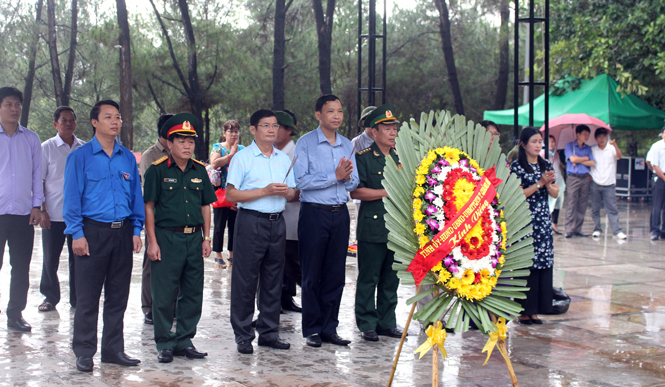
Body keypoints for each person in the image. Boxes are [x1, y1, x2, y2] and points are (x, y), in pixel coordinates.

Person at [63, 100, 144, 372]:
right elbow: (72, 198)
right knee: (87, 298)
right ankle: (85, 351)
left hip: (122, 234)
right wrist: (76, 233)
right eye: (108, 117)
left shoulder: (127, 158)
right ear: (94, 122)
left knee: (118, 296)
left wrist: (136, 230)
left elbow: (135, 197)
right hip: (92, 232)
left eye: (118, 117)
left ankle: (113, 350)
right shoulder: (81, 156)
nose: (115, 121)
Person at [143, 113, 217, 363]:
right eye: (181, 141)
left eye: (191, 142)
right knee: (163, 293)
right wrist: (152, 242)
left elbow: (206, 206)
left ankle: (185, 340)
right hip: (166, 238)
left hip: (194, 239)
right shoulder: (157, 170)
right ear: (170, 144)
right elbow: (149, 207)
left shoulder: (199, 170)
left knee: (193, 292)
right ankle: (164, 342)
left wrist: (207, 237)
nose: (187, 146)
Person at [226, 109, 296, 354]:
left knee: (273, 278)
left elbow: (294, 192)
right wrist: (264, 191)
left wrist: (286, 192)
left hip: (277, 222)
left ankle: (268, 332)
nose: (271, 130)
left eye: (275, 126)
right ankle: (243, 334)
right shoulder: (242, 158)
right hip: (250, 221)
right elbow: (231, 194)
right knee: (245, 279)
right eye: (265, 125)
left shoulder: (284, 159)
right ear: (253, 129)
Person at [294, 94, 359, 347]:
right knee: (312, 273)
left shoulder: (347, 145)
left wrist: (345, 178)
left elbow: (354, 181)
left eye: (340, 111)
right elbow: (300, 182)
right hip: (314, 213)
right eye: (330, 111)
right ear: (318, 115)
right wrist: (334, 176)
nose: (336, 116)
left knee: (335, 274)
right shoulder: (305, 143)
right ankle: (311, 328)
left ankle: (330, 328)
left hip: (339, 213)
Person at [350, 104, 403, 341]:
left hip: (397, 227)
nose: (392, 132)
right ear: (374, 131)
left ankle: (387, 321)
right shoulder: (364, 157)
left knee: (391, 278)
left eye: (394, 128)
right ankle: (366, 322)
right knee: (369, 277)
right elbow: (356, 192)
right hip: (372, 226)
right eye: (387, 128)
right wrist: (385, 192)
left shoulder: (401, 159)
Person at [0, 86, 43, 332]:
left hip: (23, 215)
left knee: (21, 267)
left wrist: (37, 205)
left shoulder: (31, 138)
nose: (14, 109)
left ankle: (15, 314)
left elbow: (38, 175)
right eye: (8, 104)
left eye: (17, 104)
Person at [510, 127, 559, 324]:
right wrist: (539, 183)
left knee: (542, 264)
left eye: (540, 142)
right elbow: (517, 194)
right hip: (525, 221)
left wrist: (548, 184)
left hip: (543, 221)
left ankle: (536, 309)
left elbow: (555, 193)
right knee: (527, 264)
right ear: (523, 144)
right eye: (534, 142)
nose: (539, 145)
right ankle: (523, 311)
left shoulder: (545, 164)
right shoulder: (516, 167)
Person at [39, 106, 85, 313]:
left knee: (79, 257)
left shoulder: (84, 148)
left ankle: (78, 298)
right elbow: (38, 181)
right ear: (55, 124)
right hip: (53, 214)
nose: (68, 124)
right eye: (64, 120)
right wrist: (42, 210)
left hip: (79, 216)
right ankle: (50, 297)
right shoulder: (46, 148)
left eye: (72, 120)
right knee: (51, 258)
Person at [138, 113, 173, 325]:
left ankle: (170, 305)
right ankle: (149, 307)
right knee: (153, 262)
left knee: (174, 264)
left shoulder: (181, 152)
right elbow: (151, 191)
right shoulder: (150, 156)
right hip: (157, 218)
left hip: (177, 219)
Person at [274, 110, 302, 313]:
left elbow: (302, 189)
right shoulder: (268, 152)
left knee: (293, 265)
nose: (272, 131)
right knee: (274, 266)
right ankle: (276, 304)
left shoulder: (297, 153)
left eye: (277, 127)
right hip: (272, 220)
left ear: (287, 130)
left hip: (292, 221)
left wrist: (278, 193)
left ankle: (293, 299)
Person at [209, 120, 244, 268]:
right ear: (224, 134)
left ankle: (232, 254)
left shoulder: (244, 149)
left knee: (234, 226)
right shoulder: (218, 148)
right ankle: (217, 254)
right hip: (221, 194)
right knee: (219, 225)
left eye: (236, 131)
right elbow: (214, 163)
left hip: (236, 194)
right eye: (231, 131)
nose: (234, 134)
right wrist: (231, 155)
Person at [590, 128, 626, 239]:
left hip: (609, 183)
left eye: (604, 137)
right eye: (599, 137)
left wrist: (615, 145)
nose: (602, 139)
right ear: (596, 138)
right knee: (595, 208)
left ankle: (617, 230)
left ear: (607, 137)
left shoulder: (611, 148)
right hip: (595, 182)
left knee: (612, 208)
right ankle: (597, 229)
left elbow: (619, 156)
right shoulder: (592, 149)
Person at [564, 125, 595, 238]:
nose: (587, 136)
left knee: (582, 203)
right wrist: (585, 158)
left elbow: (592, 163)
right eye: (585, 134)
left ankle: (577, 229)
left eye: (588, 134)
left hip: (585, 177)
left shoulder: (588, 148)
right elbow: (572, 159)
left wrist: (580, 159)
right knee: (571, 202)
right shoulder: (569, 146)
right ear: (578, 134)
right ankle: (569, 229)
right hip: (573, 177)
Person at [646, 127, 665, 240]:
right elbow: (653, 164)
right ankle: (655, 230)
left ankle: (664, 231)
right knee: (657, 205)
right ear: (662, 134)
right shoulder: (657, 146)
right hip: (660, 176)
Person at [546, 135, 565, 235]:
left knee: (558, 203)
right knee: (550, 204)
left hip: (559, 181)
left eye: (553, 141)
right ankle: (548, 225)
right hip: (550, 182)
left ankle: (554, 225)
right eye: (549, 142)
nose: (551, 144)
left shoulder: (556, 154)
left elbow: (561, 166)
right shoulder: (543, 154)